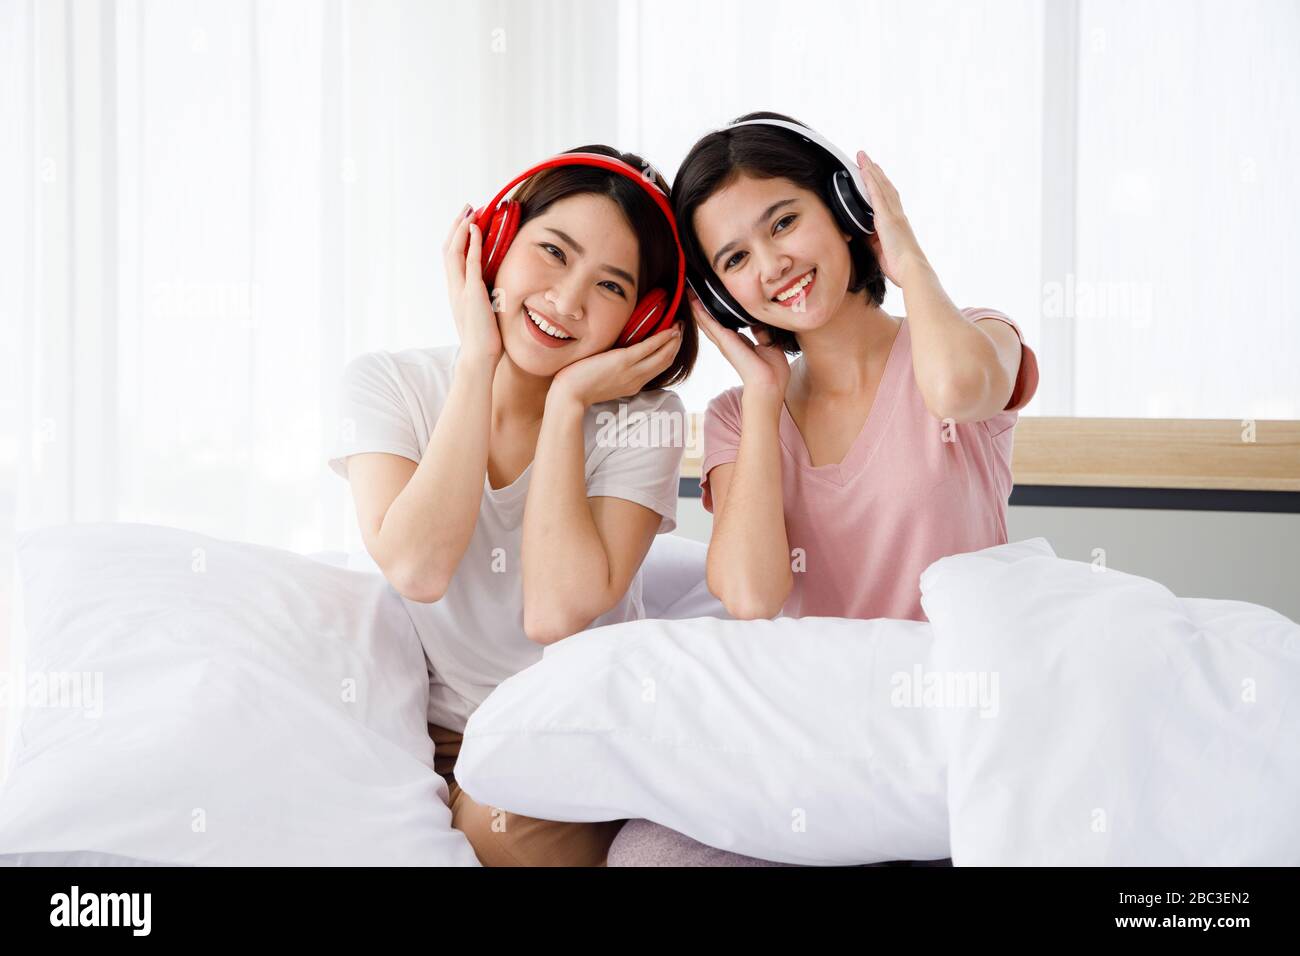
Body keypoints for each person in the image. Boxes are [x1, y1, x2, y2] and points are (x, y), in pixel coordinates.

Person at [607, 111, 1039, 867]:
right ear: (720, 291)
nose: (771, 265)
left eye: (784, 222)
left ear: (845, 214)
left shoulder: (968, 335)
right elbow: (750, 595)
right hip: (819, 737)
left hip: (951, 734)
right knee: (648, 856)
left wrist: (908, 255)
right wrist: (766, 391)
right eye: (736, 257)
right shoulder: (740, 415)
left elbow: (959, 387)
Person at [328, 145, 696, 866]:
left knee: (499, 842)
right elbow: (416, 565)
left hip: (568, 726)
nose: (567, 299)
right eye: (552, 252)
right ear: (495, 242)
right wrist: (477, 360)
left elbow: (556, 614)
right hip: (422, 731)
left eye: (612, 287)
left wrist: (567, 407)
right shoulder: (387, 384)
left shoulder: (645, 419)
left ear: (641, 317)